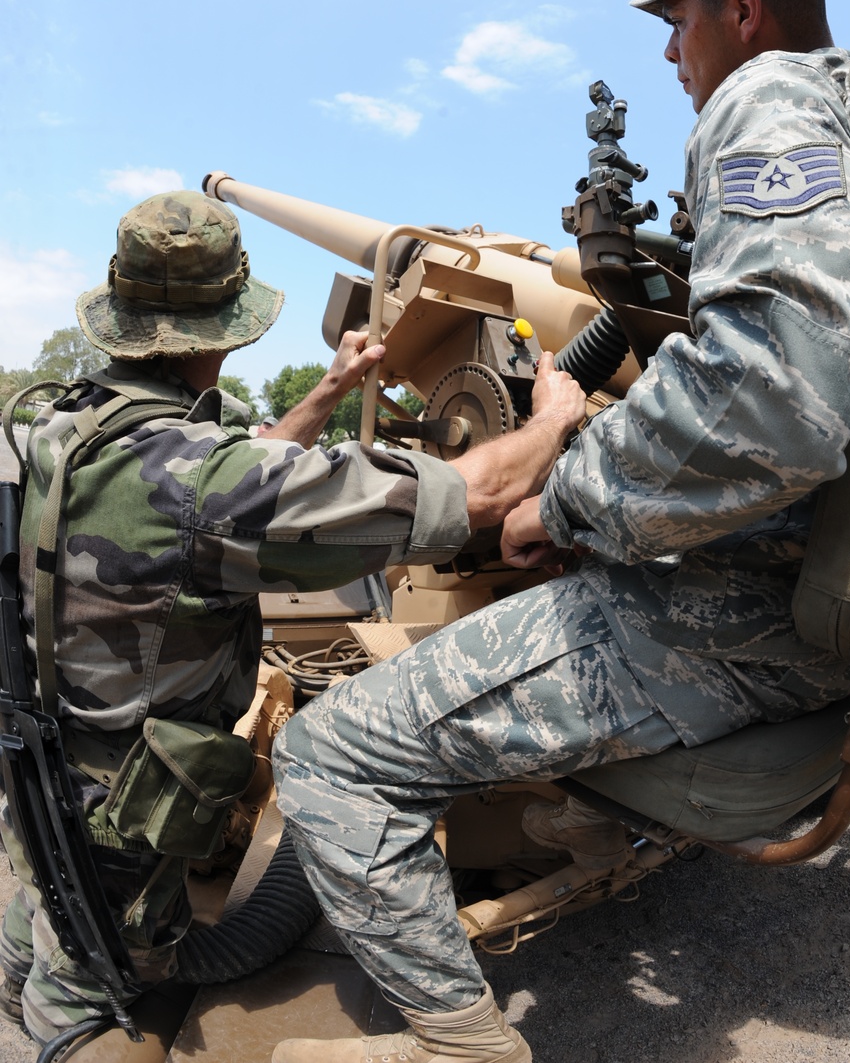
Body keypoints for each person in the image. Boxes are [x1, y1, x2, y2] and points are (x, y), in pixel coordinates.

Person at [268, 0, 850, 1063]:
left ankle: (461, 1045)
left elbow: (769, 400)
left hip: (739, 614)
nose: (669, 55)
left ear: (739, 10)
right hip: (833, 578)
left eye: (678, 20)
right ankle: (576, 811)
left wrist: (568, 495)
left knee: (329, 756)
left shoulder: (769, 101)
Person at [0, 189, 584, 1046]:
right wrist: (552, 420)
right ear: (231, 328)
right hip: (125, 824)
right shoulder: (205, 479)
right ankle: (60, 1008)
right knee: (98, 977)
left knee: (41, 903)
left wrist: (331, 391)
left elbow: (217, 484)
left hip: (46, 769)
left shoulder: (64, 423)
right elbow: (481, 490)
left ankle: (24, 957)